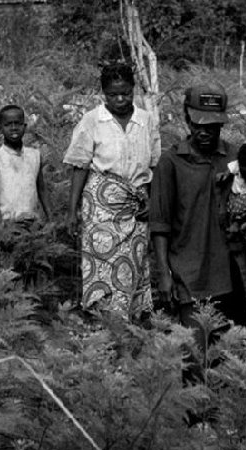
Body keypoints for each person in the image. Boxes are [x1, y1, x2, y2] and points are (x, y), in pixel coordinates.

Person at [149, 83, 246, 339]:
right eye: (198, 124)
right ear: (187, 118)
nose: (205, 131)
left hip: (231, 274)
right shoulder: (170, 163)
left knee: (235, 355)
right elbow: (159, 224)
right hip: (189, 275)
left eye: (212, 126)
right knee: (196, 355)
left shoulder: (234, 157)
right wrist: (164, 274)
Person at [63, 62, 160, 322]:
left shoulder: (146, 121)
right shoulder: (92, 120)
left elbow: (152, 166)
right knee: (101, 265)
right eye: (113, 94)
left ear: (133, 90)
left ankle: (130, 322)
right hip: (100, 207)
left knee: (133, 264)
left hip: (135, 207)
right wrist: (72, 211)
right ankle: (102, 322)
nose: (120, 99)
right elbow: (80, 166)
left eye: (126, 93)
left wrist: (151, 199)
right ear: (103, 93)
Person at [0, 104, 50, 225]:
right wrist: (1, 225)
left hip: (33, 222)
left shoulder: (35, 155)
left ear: (24, 126)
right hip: (8, 223)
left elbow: (42, 189)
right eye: (8, 124)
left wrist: (51, 219)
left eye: (18, 123)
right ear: (0, 129)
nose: (13, 128)